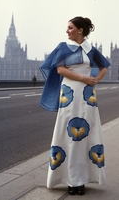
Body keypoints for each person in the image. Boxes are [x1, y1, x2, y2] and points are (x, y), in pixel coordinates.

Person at [39, 16, 110, 195]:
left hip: (87, 95)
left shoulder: (91, 50)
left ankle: (82, 180)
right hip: (69, 94)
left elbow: (104, 68)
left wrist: (94, 81)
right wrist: (83, 78)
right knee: (68, 135)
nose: (67, 30)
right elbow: (60, 70)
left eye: (70, 27)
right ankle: (71, 180)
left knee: (87, 135)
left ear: (80, 30)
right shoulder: (64, 47)